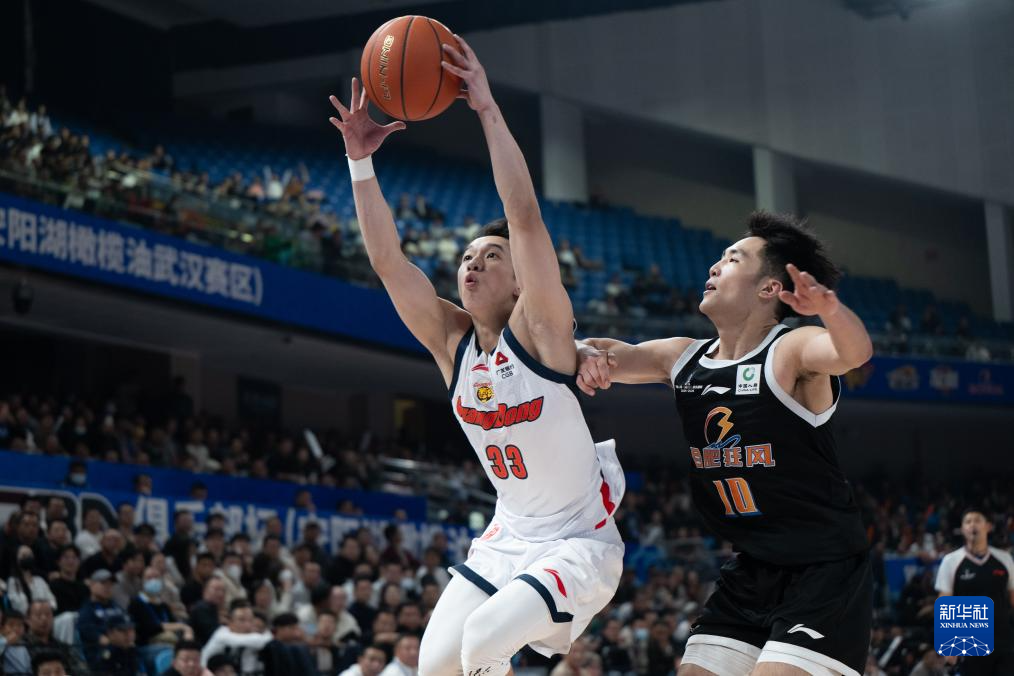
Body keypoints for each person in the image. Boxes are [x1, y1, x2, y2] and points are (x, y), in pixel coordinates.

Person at [328, 35, 625, 676]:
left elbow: (523, 216)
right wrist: (360, 163)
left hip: (576, 541)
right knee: (436, 666)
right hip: (507, 535)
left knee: (485, 638)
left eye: (492, 256)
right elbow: (388, 262)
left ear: (520, 282)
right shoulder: (450, 342)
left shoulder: (541, 329)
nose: (473, 262)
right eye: (467, 256)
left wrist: (487, 109)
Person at [578, 212, 875, 676]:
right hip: (752, 567)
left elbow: (852, 354)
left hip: (824, 570)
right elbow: (605, 352)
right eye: (719, 258)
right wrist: (584, 354)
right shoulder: (683, 357)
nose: (715, 267)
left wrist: (829, 310)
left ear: (769, 289)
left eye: (733, 259)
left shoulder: (790, 350)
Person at [934, 507, 1014, 675]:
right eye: (968, 522)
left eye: (977, 520)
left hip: (1004, 638)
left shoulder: (1004, 559)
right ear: (962, 529)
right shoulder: (951, 561)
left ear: (988, 526)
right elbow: (944, 602)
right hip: (969, 640)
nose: (972, 525)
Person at [201, 600, 272, 673]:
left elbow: (268, 641)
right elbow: (262, 641)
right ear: (230, 621)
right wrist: (264, 634)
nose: (247, 625)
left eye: (250, 620)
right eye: (242, 620)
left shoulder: (248, 636)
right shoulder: (222, 635)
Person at [77, 568, 130, 668]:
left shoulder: (116, 606)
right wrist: (105, 639)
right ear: (92, 585)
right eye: (103, 583)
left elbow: (128, 623)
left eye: (110, 584)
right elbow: (86, 629)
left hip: (124, 649)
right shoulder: (88, 609)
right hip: (101, 654)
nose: (108, 587)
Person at [23, 600, 89, 675]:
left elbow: (83, 670)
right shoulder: (21, 646)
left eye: (48, 614)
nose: (44, 618)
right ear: (27, 619)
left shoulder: (63, 647)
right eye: (38, 615)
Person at [5, 545, 58, 613]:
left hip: (44, 614)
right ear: (16, 559)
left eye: (30, 556)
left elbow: (53, 602)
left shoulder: (40, 580)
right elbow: (18, 606)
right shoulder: (13, 581)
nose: (28, 558)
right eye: (24, 556)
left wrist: (44, 608)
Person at [48, 544, 89, 614]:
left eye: (74, 557)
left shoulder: (84, 588)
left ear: (79, 562)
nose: (70, 561)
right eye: (66, 557)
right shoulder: (53, 586)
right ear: (58, 562)